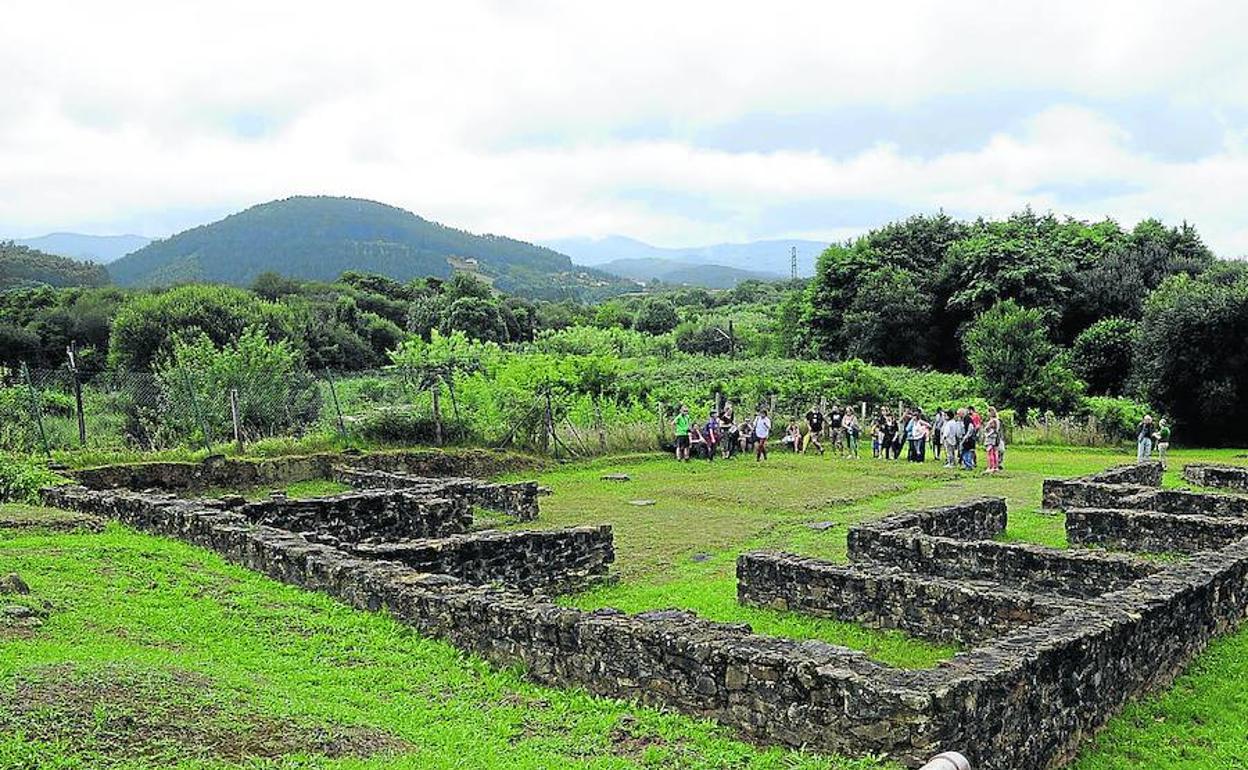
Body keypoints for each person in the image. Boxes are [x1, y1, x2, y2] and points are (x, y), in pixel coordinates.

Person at [984, 407, 1002, 473]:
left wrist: (987, 434)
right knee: (995, 453)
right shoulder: (997, 420)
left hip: (991, 439)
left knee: (990, 453)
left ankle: (990, 467)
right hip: (995, 439)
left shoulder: (993, 421)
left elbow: (992, 430)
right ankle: (996, 466)